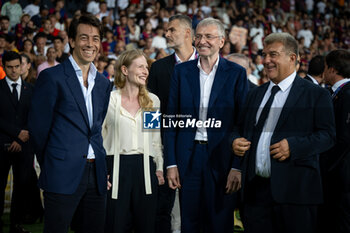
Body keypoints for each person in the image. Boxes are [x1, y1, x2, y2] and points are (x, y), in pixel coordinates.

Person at [231, 32, 336, 233]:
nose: (266, 60)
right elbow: (238, 129)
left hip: (295, 194)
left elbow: (328, 136)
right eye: (264, 55)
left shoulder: (316, 95)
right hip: (255, 193)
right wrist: (234, 141)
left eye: (273, 55)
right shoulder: (255, 94)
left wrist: (294, 146)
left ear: (292, 58)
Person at [28, 14, 111, 233]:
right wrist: (53, 162)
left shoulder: (103, 83)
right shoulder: (52, 77)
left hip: (97, 174)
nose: (90, 44)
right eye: (84, 38)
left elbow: (98, 128)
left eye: (95, 39)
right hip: (61, 172)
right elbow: (38, 130)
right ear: (72, 41)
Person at [165, 18, 249, 233]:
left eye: (209, 36)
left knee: (219, 222)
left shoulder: (236, 73)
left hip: (221, 158)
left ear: (221, 41)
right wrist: (171, 163)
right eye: (199, 36)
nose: (202, 41)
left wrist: (236, 166)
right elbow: (171, 120)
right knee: (189, 222)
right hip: (188, 158)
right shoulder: (181, 72)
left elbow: (243, 123)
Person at [102, 49, 164, 233]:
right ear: (125, 70)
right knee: (115, 225)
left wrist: (159, 167)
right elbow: (99, 136)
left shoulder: (152, 101)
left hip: (145, 169)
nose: (145, 71)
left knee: (145, 226)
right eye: (140, 66)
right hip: (114, 167)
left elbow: (155, 139)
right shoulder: (109, 100)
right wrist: (101, 170)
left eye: (146, 67)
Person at [148, 14, 197, 233]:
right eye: (166, 31)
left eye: (171, 30)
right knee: (162, 209)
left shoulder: (208, 64)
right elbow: (151, 110)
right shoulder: (159, 68)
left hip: (202, 149)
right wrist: (153, 149)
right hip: (168, 149)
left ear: (187, 33)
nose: (166, 34)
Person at [0, 51, 33, 233]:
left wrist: (22, 137)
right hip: (1, 146)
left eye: (16, 66)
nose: (14, 71)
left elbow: (35, 116)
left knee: (22, 186)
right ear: (4, 67)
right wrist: (16, 134)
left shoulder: (31, 90)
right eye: (9, 67)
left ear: (22, 66)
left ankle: (16, 224)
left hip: (25, 146)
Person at [318, 49, 350, 233]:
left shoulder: (347, 94)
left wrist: (325, 165)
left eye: (325, 67)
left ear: (332, 69)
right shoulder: (336, 92)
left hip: (341, 176)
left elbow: (344, 138)